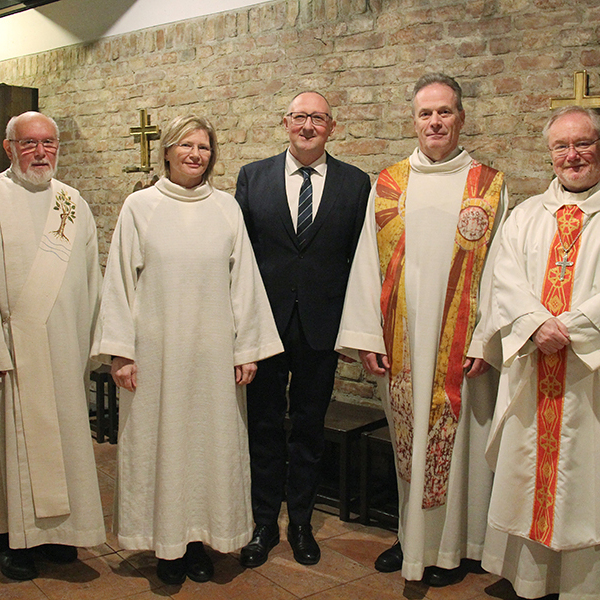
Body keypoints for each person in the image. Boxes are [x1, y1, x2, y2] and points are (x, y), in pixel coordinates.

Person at [91, 115, 283, 586]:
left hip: (214, 351)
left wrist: (248, 350)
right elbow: (119, 280)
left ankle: (200, 540)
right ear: (168, 151)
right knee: (162, 445)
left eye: (204, 147)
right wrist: (121, 351)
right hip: (156, 353)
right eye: (187, 146)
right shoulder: (140, 207)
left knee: (209, 445)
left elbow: (245, 285)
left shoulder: (226, 209)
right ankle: (166, 547)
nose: (196, 155)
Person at [336, 73, 509, 586]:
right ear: (413, 121)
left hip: (463, 347)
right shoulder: (388, 183)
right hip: (404, 341)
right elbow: (367, 261)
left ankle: (460, 546)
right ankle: (412, 542)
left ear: (461, 118)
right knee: (408, 444)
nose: (435, 122)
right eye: (425, 113)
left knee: (464, 450)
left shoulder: (490, 185)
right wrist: (368, 336)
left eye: (445, 112)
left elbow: (502, 269)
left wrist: (484, 340)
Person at [235, 91, 370, 567]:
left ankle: (302, 524)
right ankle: (263, 522)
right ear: (285, 122)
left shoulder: (356, 184)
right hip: (264, 327)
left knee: (309, 429)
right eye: (299, 117)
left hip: (322, 327)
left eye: (317, 118)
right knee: (265, 426)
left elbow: (362, 262)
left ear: (332, 126)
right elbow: (241, 257)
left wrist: (356, 331)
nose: (307, 125)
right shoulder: (252, 177)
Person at [481, 106, 600, 598]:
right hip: (534, 368)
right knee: (527, 472)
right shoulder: (525, 215)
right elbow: (502, 281)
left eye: (583, 144)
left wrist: (571, 328)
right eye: (561, 146)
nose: (572, 156)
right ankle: (529, 579)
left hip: (588, 376)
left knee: (586, 480)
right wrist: (534, 326)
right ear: (549, 152)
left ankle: (581, 585)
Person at [0, 112, 105, 580]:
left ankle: (63, 532)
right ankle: (14, 538)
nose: (41, 153)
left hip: (64, 347)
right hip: (13, 350)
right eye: (29, 144)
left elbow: (91, 279)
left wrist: (92, 342)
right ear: (9, 148)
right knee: (15, 446)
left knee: (64, 437)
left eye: (49, 143)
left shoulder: (73, 204)